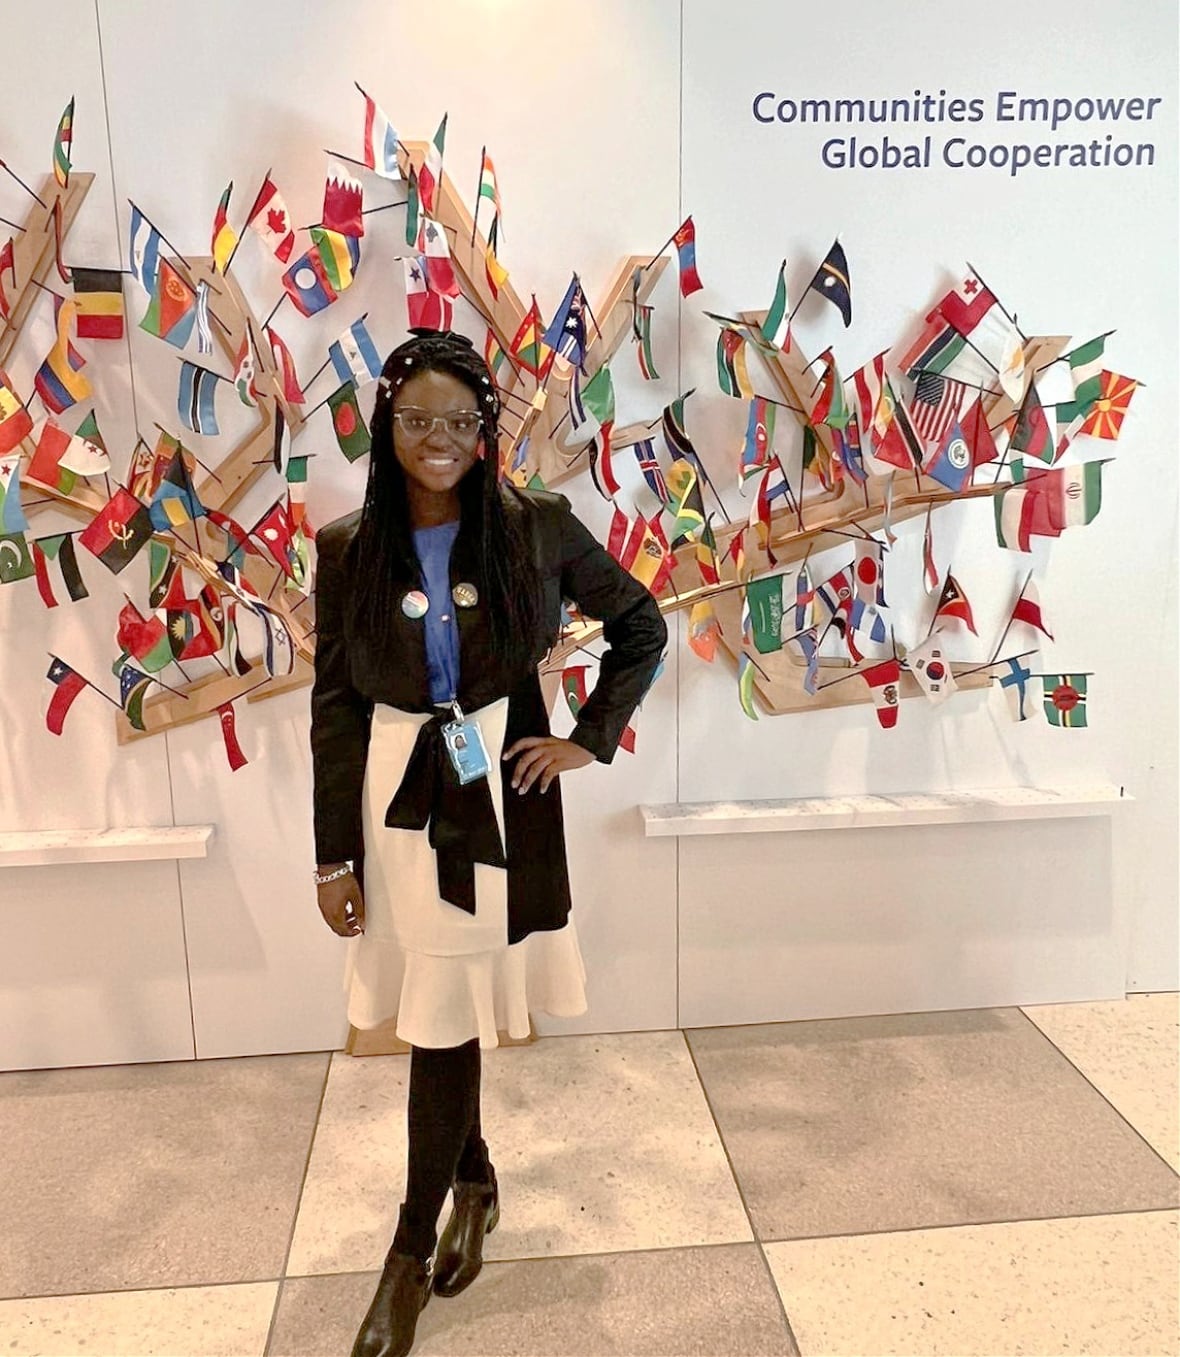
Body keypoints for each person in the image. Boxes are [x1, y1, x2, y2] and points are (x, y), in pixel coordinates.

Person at [309, 329, 667, 1357]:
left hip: (492, 795)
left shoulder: (536, 527)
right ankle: (473, 1179)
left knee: (441, 1020)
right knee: (440, 1001)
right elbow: (334, 706)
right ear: (387, 425)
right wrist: (332, 855)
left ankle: (408, 1251)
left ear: (483, 433)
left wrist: (585, 739)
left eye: (458, 423)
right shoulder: (345, 546)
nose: (437, 439)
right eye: (416, 419)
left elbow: (639, 624)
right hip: (391, 795)